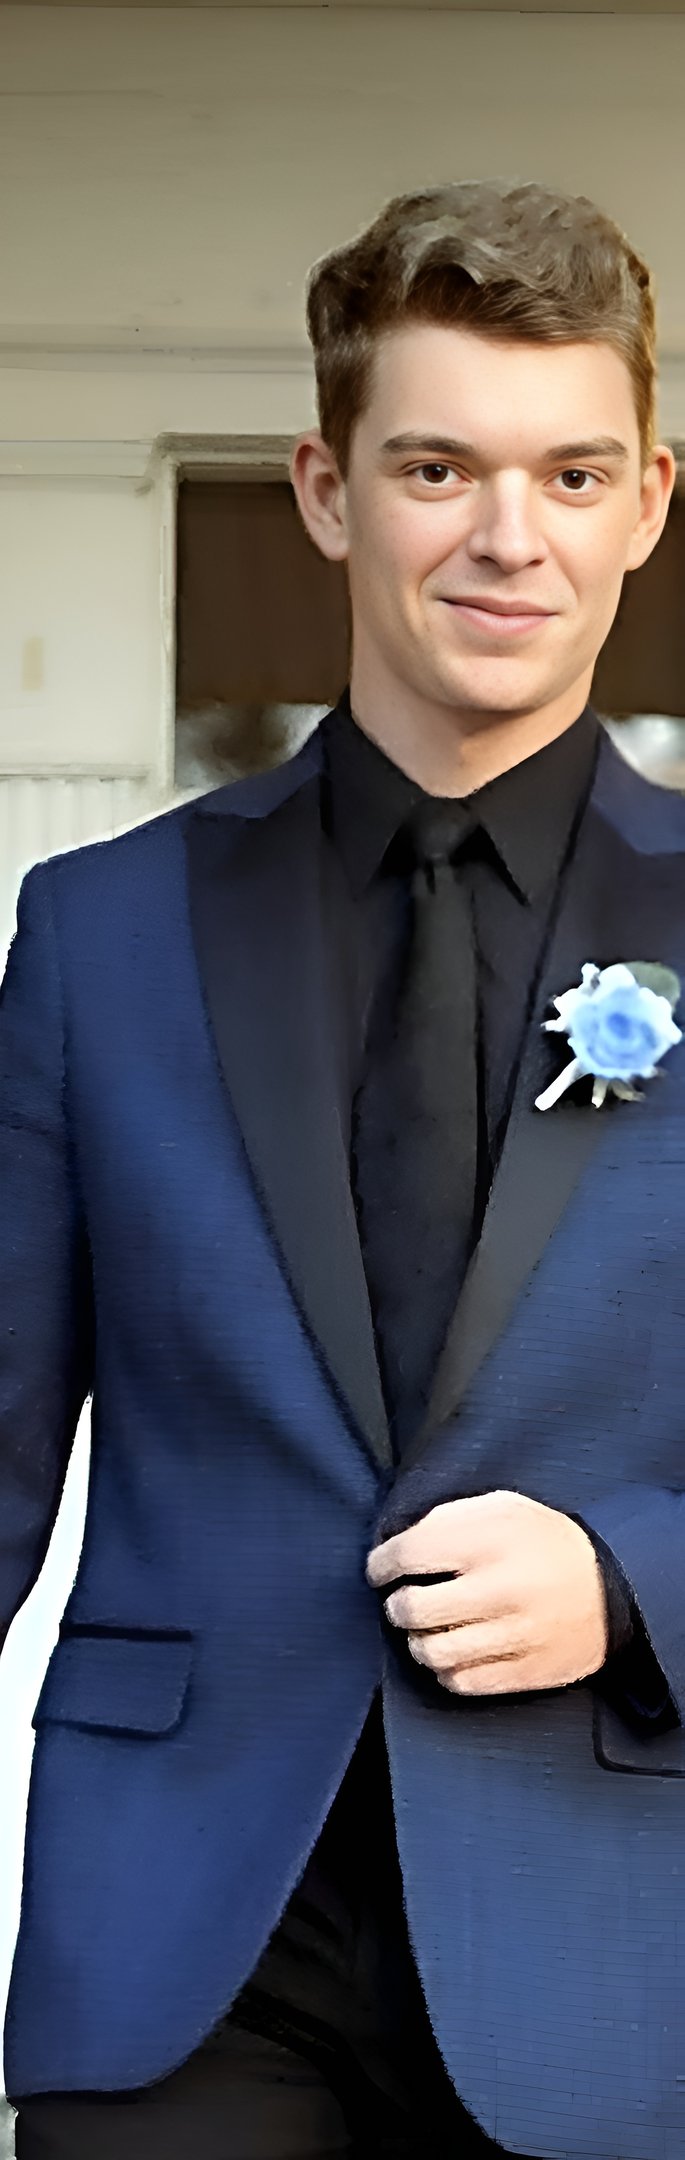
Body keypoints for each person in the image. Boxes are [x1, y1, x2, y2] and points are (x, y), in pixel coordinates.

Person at [2, 177, 683, 2160]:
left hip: (618, 1956)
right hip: (182, 1952)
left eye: (569, 475)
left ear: (646, 501)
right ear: (326, 490)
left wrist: (633, 1581)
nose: (507, 537)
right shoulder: (101, 935)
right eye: (436, 468)